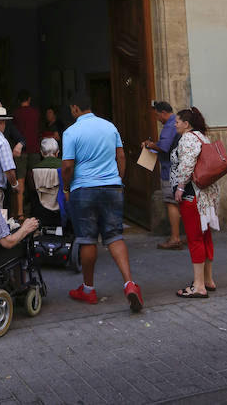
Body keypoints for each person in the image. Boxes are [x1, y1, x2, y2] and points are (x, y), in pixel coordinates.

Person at [62, 94, 144, 312]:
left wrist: (66, 187)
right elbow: (121, 157)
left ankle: (88, 289)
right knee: (115, 235)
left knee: (87, 239)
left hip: (84, 189)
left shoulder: (71, 132)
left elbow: (68, 166)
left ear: (75, 108)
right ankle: (129, 284)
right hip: (112, 187)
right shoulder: (110, 127)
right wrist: (118, 180)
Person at [170, 106, 220, 299]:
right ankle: (208, 279)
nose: (174, 125)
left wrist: (180, 186)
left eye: (177, 122)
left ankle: (199, 285)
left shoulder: (188, 138)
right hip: (205, 196)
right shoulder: (201, 136)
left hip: (193, 195)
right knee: (205, 236)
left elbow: (187, 163)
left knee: (194, 238)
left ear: (186, 124)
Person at [141, 101, 183, 250]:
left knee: (171, 202)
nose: (158, 118)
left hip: (170, 170)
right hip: (178, 169)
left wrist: (150, 145)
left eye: (158, 115)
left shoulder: (170, 125)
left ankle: (175, 238)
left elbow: (164, 147)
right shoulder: (178, 123)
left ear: (164, 113)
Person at [12, 89, 41, 219]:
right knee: (35, 181)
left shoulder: (16, 114)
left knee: (20, 181)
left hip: (21, 151)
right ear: (29, 99)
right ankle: (38, 209)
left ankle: (20, 212)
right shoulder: (35, 113)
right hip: (34, 149)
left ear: (19, 100)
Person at [28, 136, 68, 226]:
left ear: (42, 153)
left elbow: (32, 191)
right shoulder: (65, 168)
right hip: (62, 212)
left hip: (41, 214)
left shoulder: (33, 170)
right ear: (58, 152)